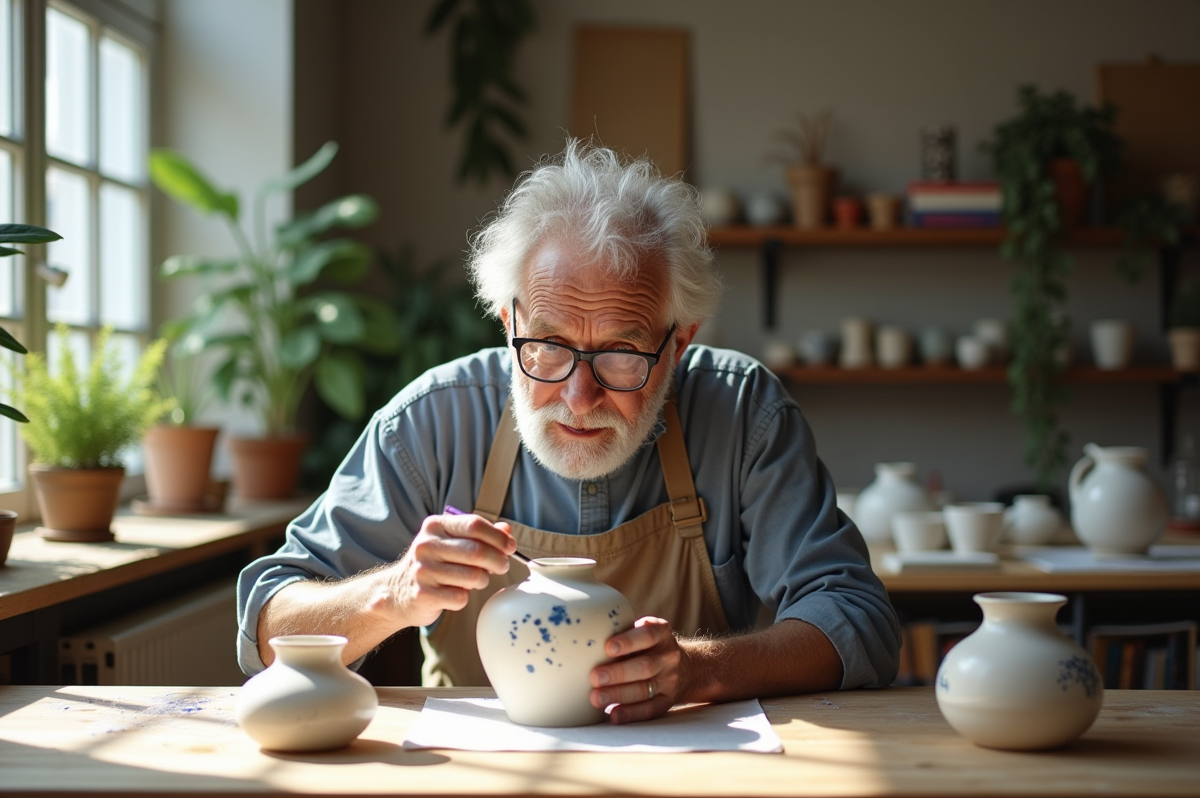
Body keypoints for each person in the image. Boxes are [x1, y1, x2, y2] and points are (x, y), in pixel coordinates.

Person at [237, 140, 900, 724]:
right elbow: (268, 626)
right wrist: (395, 591)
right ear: (507, 322)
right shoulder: (432, 423)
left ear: (679, 343)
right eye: (548, 348)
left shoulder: (742, 414)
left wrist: (700, 671)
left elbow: (859, 623)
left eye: (621, 353)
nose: (580, 398)